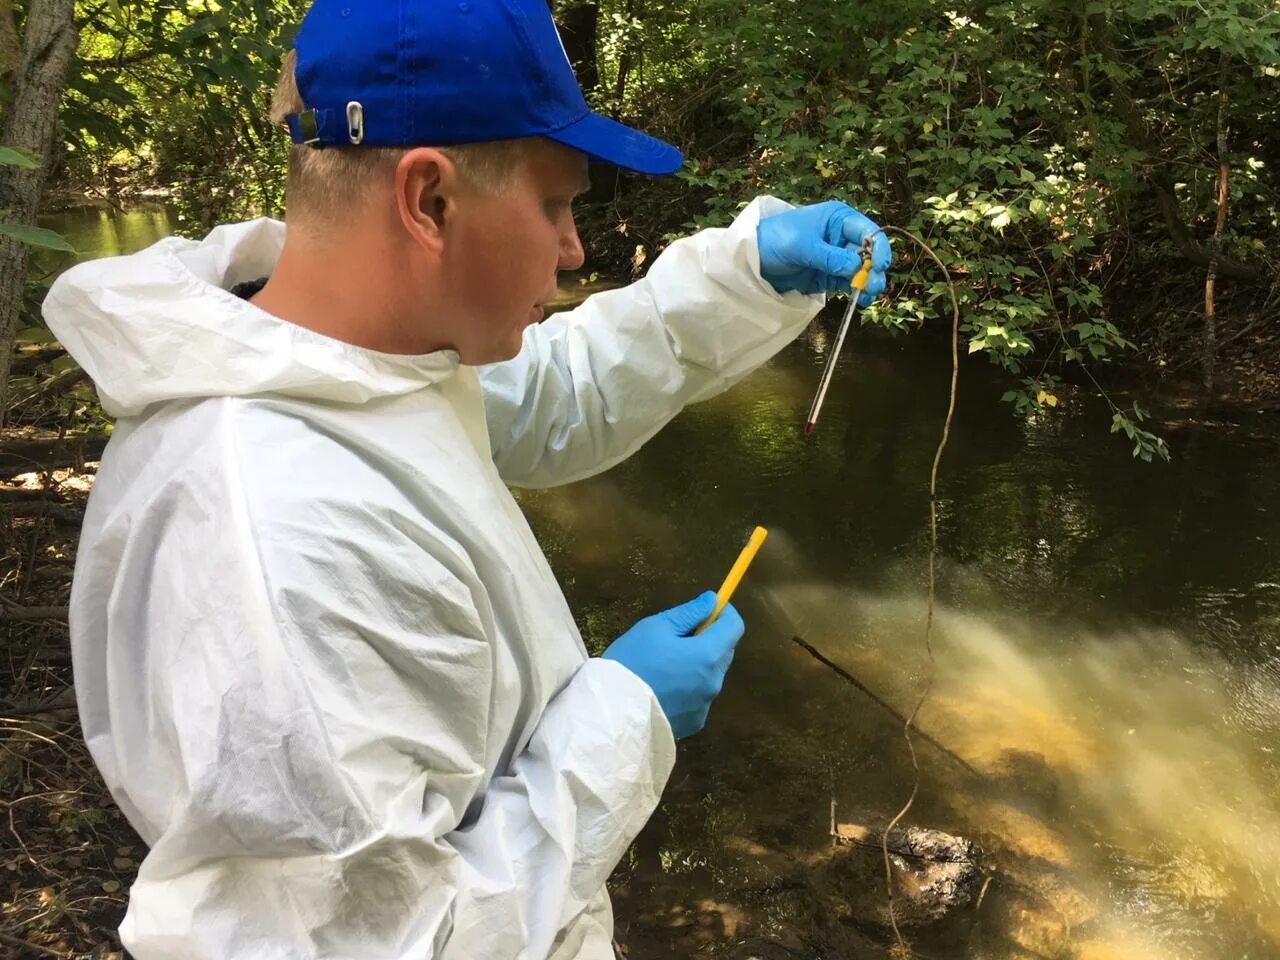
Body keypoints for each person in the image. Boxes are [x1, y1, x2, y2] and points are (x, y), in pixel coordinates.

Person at [42, 1, 891, 957]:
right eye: (556, 204)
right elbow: (382, 943)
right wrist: (622, 718)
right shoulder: (272, 542)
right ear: (429, 200)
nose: (574, 250)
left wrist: (751, 272)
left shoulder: (353, 353)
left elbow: (558, 392)